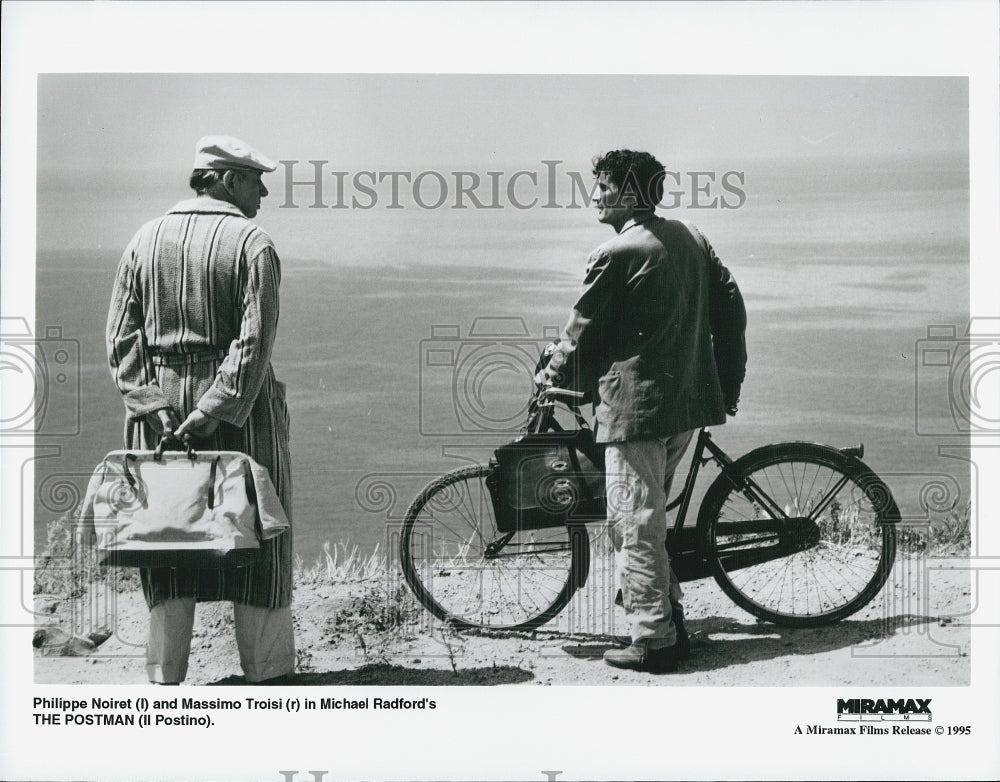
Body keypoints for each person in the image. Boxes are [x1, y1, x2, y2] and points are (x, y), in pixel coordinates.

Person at [536, 149, 747, 673]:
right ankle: (666, 613)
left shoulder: (615, 252)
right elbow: (731, 307)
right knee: (649, 516)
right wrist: (728, 380)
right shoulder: (691, 236)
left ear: (627, 192)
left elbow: (580, 330)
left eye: (602, 186)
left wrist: (551, 376)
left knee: (634, 521)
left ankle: (654, 640)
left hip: (636, 412)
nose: (594, 195)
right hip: (688, 405)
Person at [105, 135, 294, 684]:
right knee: (256, 532)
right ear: (228, 181)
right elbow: (254, 342)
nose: (262, 191)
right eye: (256, 180)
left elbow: (121, 338)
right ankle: (269, 673)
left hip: (160, 406)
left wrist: (156, 407)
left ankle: (166, 674)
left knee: (167, 532)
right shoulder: (253, 243)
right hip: (240, 411)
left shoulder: (144, 239)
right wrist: (213, 408)